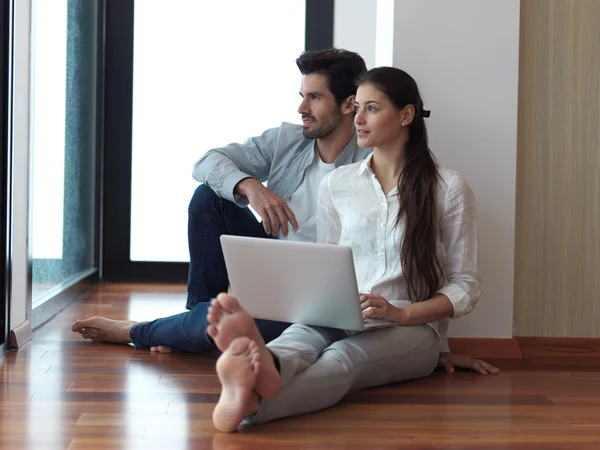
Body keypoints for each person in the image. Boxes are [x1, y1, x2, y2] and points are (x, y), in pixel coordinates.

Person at [71, 50, 498, 376]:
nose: (301, 109)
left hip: (319, 297)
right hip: (276, 267)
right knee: (210, 198)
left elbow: (415, 260)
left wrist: (435, 346)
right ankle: (193, 321)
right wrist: (251, 187)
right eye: (301, 96)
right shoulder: (286, 141)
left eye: (314, 97)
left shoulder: (376, 165)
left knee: (233, 323)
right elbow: (207, 160)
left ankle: (142, 332)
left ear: (351, 104)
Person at [205, 66, 488, 433]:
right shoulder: (338, 185)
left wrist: (402, 315)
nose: (359, 119)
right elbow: (327, 266)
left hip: (414, 328)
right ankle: (263, 369)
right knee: (299, 338)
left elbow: (465, 285)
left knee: (344, 358)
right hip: (343, 311)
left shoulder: (448, 188)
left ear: (405, 115)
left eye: (372, 108)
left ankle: (255, 400)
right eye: (357, 109)